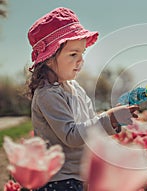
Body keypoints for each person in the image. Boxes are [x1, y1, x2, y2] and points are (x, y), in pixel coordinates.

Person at [26, 7, 139, 191]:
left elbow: (89, 124)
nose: (80, 61)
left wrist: (114, 120)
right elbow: (71, 135)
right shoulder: (47, 94)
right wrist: (109, 118)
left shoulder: (74, 88)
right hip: (58, 180)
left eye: (82, 54)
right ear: (48, 59)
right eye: (73, 54)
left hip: (77, 176)